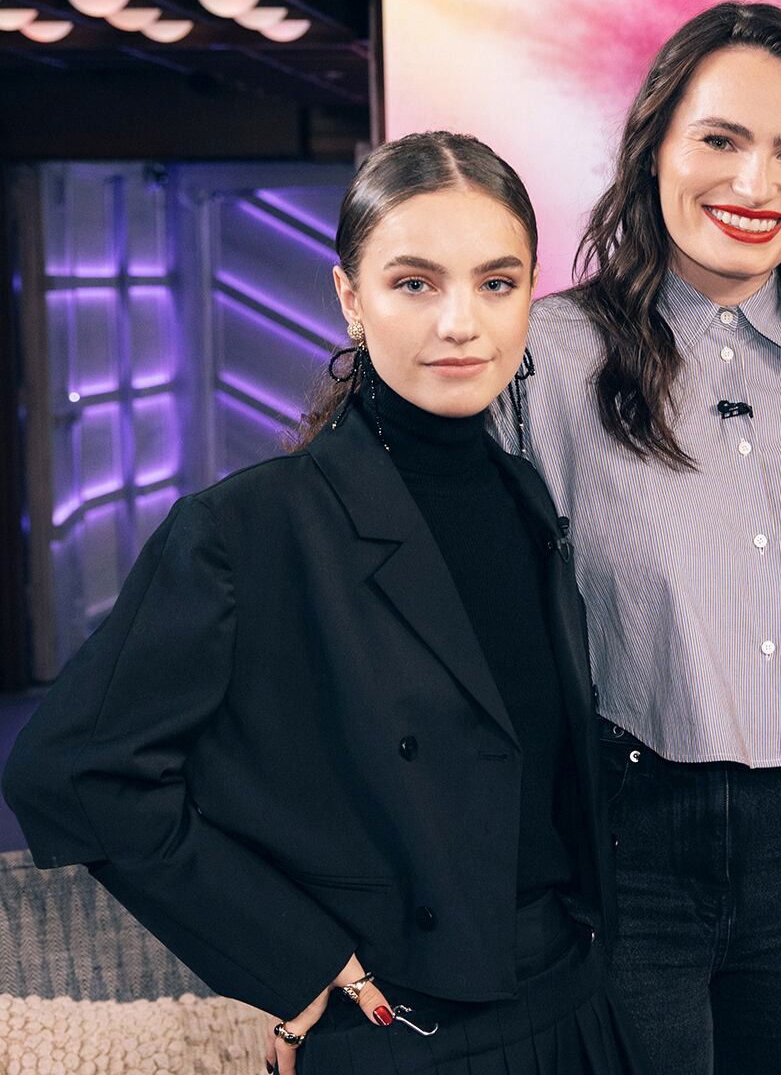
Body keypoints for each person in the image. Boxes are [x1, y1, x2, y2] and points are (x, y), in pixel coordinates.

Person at [2, 131, 634, 1074]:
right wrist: (291, 953)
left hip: (576, 1005)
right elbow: (74, 774)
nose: (460, 322)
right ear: (349, 297)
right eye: (414, 283)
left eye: (496, 285)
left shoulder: (527, 497)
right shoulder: (248, 528)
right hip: (408, 1035)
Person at [493, 3, 781, 1072]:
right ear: (655, 150)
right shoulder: (543, 360)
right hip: (624, 830)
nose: (756, 183)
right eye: (720, 140)